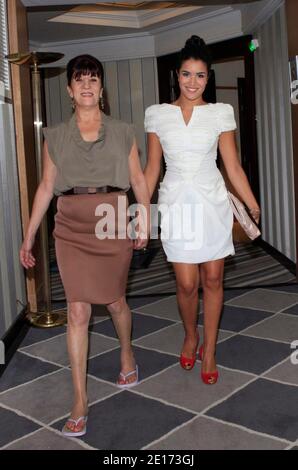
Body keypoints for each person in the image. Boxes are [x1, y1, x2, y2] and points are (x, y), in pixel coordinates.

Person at [20, 54, 150, 436]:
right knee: (77, 311)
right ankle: (79, 398)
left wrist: (144, 217)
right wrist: (29, 236)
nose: (87, 85)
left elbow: (138, 179)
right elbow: (46, 187)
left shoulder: (124, 130)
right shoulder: (56, 136)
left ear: (101, 88)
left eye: (93, 78)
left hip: (112, 222)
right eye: (80, 80)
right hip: (71, 228)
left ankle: (126, 351)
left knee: (114, 302)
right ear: (70, 90)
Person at [144, 36, 260, 385]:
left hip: (211, 201)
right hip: (176, 202)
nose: (192, 82)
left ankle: (209, 347)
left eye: (200, 76)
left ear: (208, 78)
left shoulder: (220, 114)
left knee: (213, 278)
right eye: (186, 74)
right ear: (176, 76)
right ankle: (190, 334)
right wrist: (142, 213)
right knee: (186, 282)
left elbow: (233, 165)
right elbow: (151, 169)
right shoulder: (157, 115)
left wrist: (251, 202)